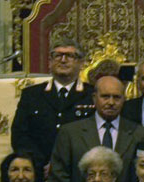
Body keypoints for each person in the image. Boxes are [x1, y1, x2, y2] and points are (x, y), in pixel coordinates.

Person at [49, 75, 144, 182]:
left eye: (116, 97)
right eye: (105, 97)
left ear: (124, 100)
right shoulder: (70, 132)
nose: (111, 102)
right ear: (94, 98)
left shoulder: (139, 134)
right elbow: (59, 178)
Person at [11, 37, 94, 174]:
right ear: (49, 62)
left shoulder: (92, 95)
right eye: (57, 55)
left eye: (70, 56)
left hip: (80, 172)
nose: (63, 60)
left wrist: (63, 165)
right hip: (38, 171)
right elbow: (19, 136)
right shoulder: (31, 95)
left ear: (81, 63)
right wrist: (38, 164)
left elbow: (96, 136)